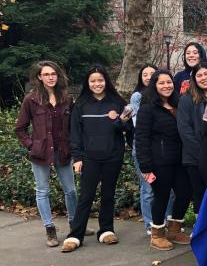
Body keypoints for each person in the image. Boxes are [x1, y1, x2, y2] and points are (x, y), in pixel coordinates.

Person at [61, 67, 132, 252]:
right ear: (88, 83)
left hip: (113, 156)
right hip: (89, 158)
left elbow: (126, 129)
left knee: (108, 195)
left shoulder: (117, 102)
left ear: (106, 81)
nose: (97, 84)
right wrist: (77, 157)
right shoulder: (81, 104)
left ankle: (106, 230)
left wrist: (123, 121)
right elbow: (75, 134)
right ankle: (76, 235)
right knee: (86, 196)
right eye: (93, 81)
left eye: (100, 80)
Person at [15, 61, 79, 247]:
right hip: (41, 153)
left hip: (63, 151)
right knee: (42, 191)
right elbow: (20, 128)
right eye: (47, 74)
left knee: (71, 190)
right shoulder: (31, 100)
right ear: (39, 77)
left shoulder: (66, 98)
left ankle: (75, 224)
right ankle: (50, 229)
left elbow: (74, 125)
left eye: (54, 74)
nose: (51, 77)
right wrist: (31, 145)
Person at [135, 70, 192, 251]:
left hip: (181, 159)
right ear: (154, 85)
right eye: (161, 83)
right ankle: (157, 233)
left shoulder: (178, 104)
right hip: (160, 161)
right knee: (161, 196)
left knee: (184, 193)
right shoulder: (148, 108)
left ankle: (174, 229)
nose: (166, 86)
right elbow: (141, 138)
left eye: (169, 82)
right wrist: (145, 166)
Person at [177, 62, 207, 214]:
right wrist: (202, 155)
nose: (204, 78)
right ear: (194, 79)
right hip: (195, 158)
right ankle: (201, 231)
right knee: (200, 195)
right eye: (199, 75)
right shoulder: (187, 100)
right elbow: (185, 131)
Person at [130, 64, 163, 235]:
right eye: (145, 74)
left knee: (166, 188)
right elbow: (139, 126)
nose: (149, 77)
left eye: (152, 73)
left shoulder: (164, 96)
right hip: (143, 148)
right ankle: (150, 224)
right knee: (148, 188)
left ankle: (164, 220)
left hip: (162, 150)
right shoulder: (138, 96)